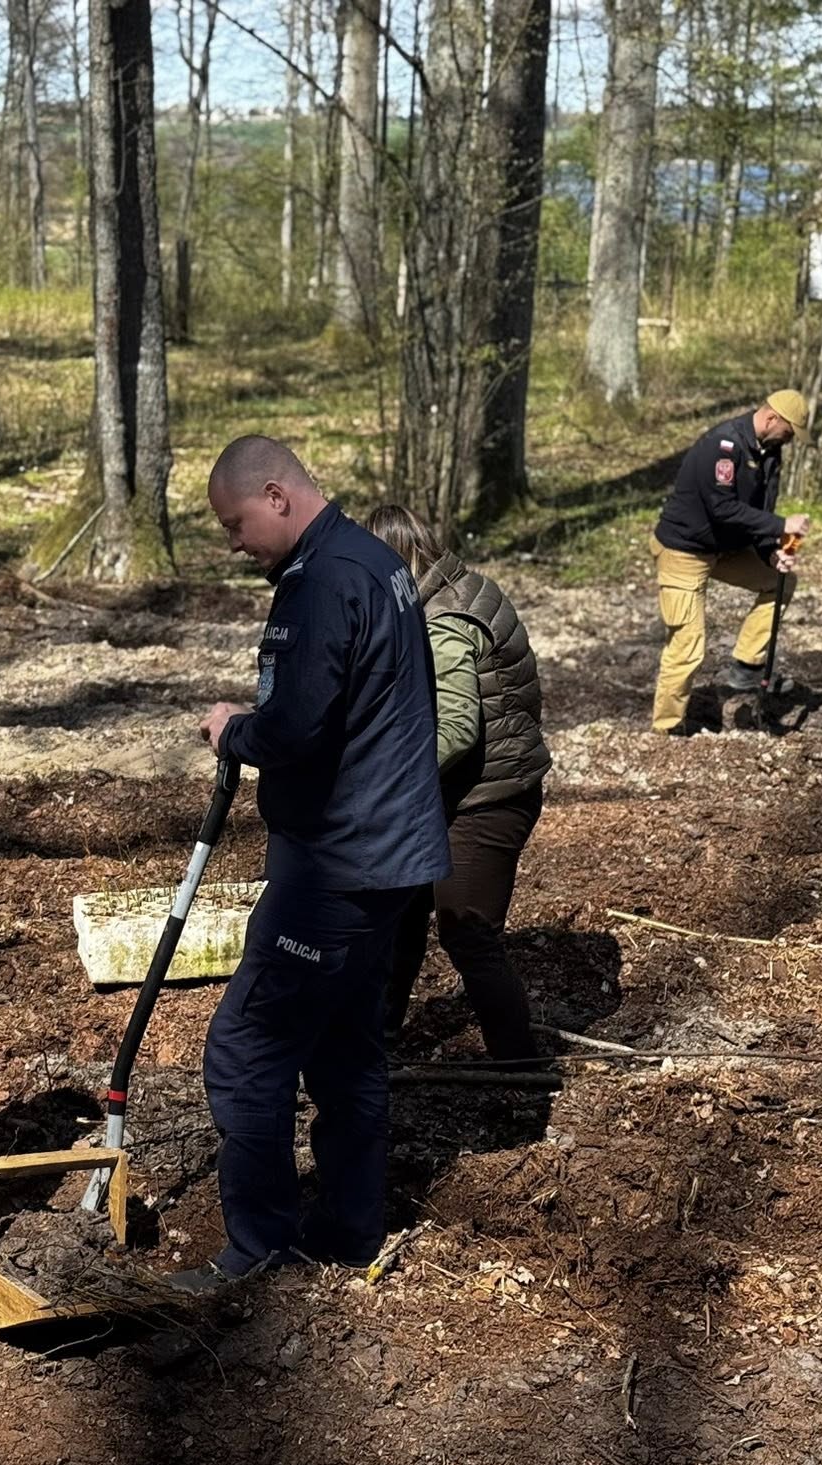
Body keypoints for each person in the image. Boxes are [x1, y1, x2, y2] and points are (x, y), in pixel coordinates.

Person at [182, 436, 452, 1291]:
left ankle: (257, 1248)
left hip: (340, 862)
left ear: (276, 494)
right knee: (343, 1049)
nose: (235, 546)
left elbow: (298, 729)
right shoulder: (376, 561)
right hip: (392, 858)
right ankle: (346, 1233)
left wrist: (235, 731)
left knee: (245, 1048)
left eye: (235, 525)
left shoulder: (325, 580)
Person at [360, 504, 550, 1068]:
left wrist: (383, 781)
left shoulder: (444, 618)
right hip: (456, 792)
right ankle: (376, 1045)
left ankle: (518, 1065)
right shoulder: (460, 585)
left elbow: (458, 728)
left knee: (468, 933)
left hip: (488, 800)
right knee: (399, 917)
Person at [651, 390, 814, 734]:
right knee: (688, 644)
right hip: (685, 550)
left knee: (779, 581)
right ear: (772, 418)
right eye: (789, 432)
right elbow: (722, 509)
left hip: (724, 549)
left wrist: (771, 550)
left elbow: (759, 512)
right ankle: (666, 730)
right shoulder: (722, 446)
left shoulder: (771, 453)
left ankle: (746, 666)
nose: (790, 440)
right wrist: (782, 526)